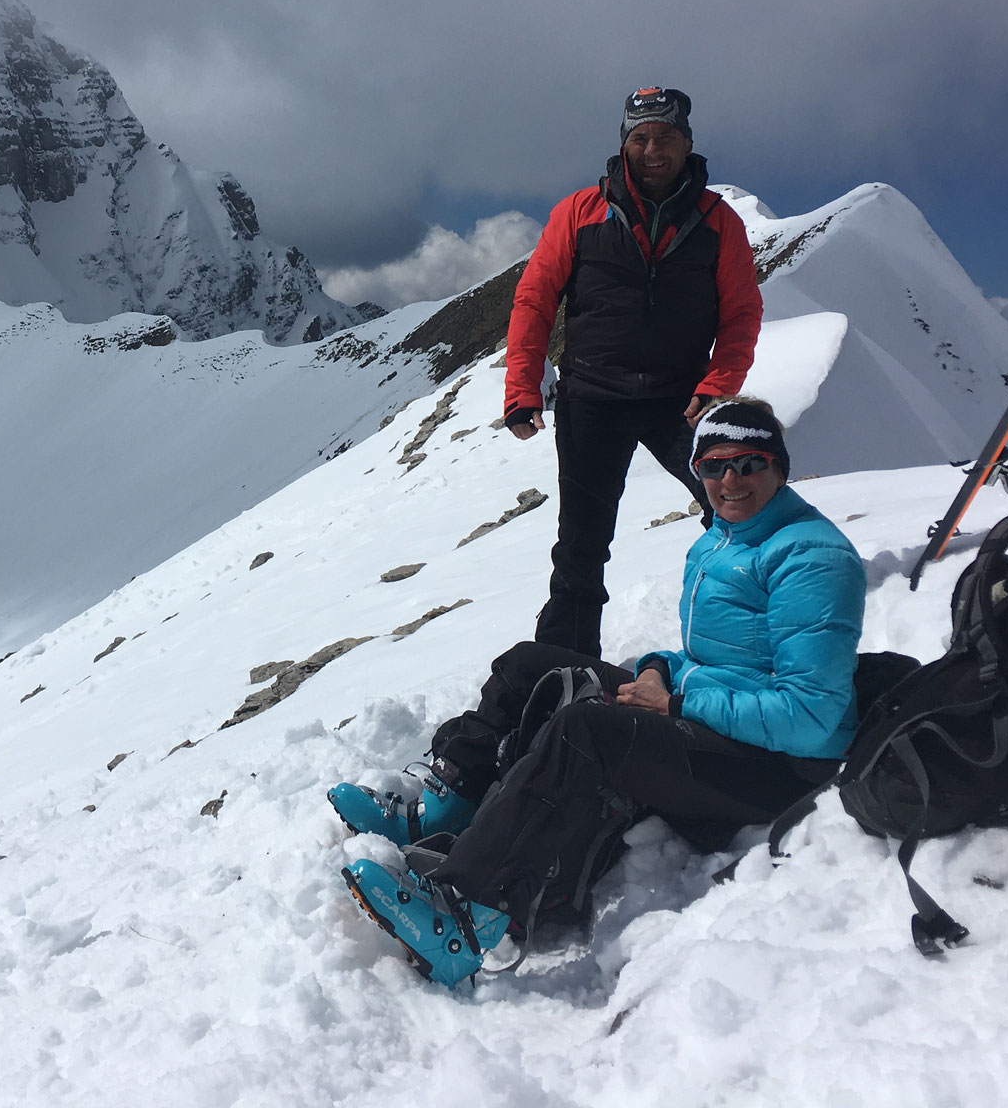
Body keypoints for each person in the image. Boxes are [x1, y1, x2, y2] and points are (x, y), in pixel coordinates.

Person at [330, 398, 864, 986]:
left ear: (779, 467)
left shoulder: (810, 557)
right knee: (529, 664)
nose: (729, 481)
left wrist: (678, 703)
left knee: (586, 734)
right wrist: (660, 670)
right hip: (716, 717)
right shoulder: (724, 539)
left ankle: (466, 916)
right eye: (713, 466)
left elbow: (811, 716)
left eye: (748, 463)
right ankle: (451, 807)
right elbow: (720, 658)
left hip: (775, 768)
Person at [504, 86, 763, 658]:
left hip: (683, 399)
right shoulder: (579, 212)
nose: (652, 150)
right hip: (592, 398)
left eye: (665, 138)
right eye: (640, 138)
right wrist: (522, 388)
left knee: (735, 508)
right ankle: (564, 670)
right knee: (581, 545)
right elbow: (535, 301)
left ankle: (752, 633)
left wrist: (719, 385)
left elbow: (742, 312)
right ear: (624, 144)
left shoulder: (720, 222)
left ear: (687, 143)